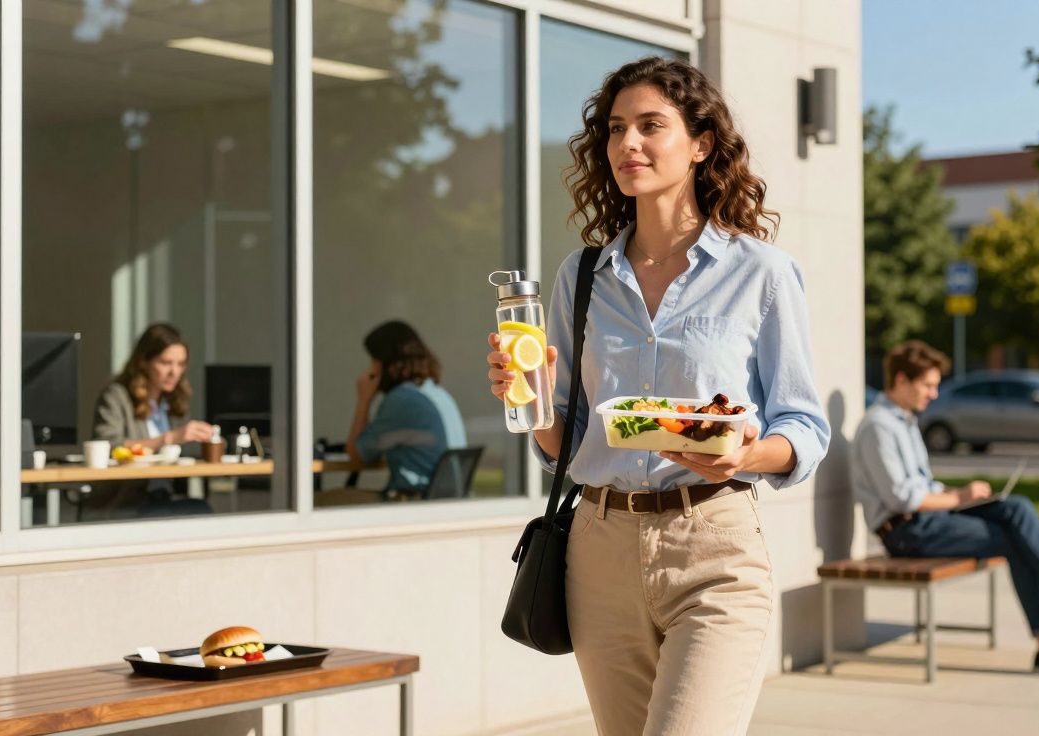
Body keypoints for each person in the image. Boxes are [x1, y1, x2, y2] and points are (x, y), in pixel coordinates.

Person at [486, 57, 829, 735]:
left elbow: (804, 424)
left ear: (701, 144)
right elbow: (566, 442)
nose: (628, 144)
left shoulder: (761, 273)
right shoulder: (583, 275)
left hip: (714, 547)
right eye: (616, 129)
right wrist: (530, 398)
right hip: (598, 550)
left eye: (650, 125)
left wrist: (746, 455)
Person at [851, 340, 1039, 679]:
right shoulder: (879, 427)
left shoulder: (904, 421)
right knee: (1014, 540)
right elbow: (902, 499)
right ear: (902, 380)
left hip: (929, 520)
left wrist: (960, 493)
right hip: (907, 533)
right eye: (928, 385)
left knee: (1015, 508)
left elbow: (922, 486)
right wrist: (959, 499)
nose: (934, 394)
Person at [91, 323, 215, 516]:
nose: (174, 372)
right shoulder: (117, 397)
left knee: (201, 510)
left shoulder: (174, 401)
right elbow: (108, 446)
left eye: (181, 364)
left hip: (163, 497)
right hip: (126, 501)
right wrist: (168, 439)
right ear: (143, 362)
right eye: (166, 363)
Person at [342, 320, 466, 499]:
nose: (370, 368)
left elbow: (357, 456)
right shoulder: (438, 394)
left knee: (320, 502)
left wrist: (363, 401)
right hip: (445, 501)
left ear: (384, 363)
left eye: (374, 360)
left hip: (414, 502)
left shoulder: (401, 400)